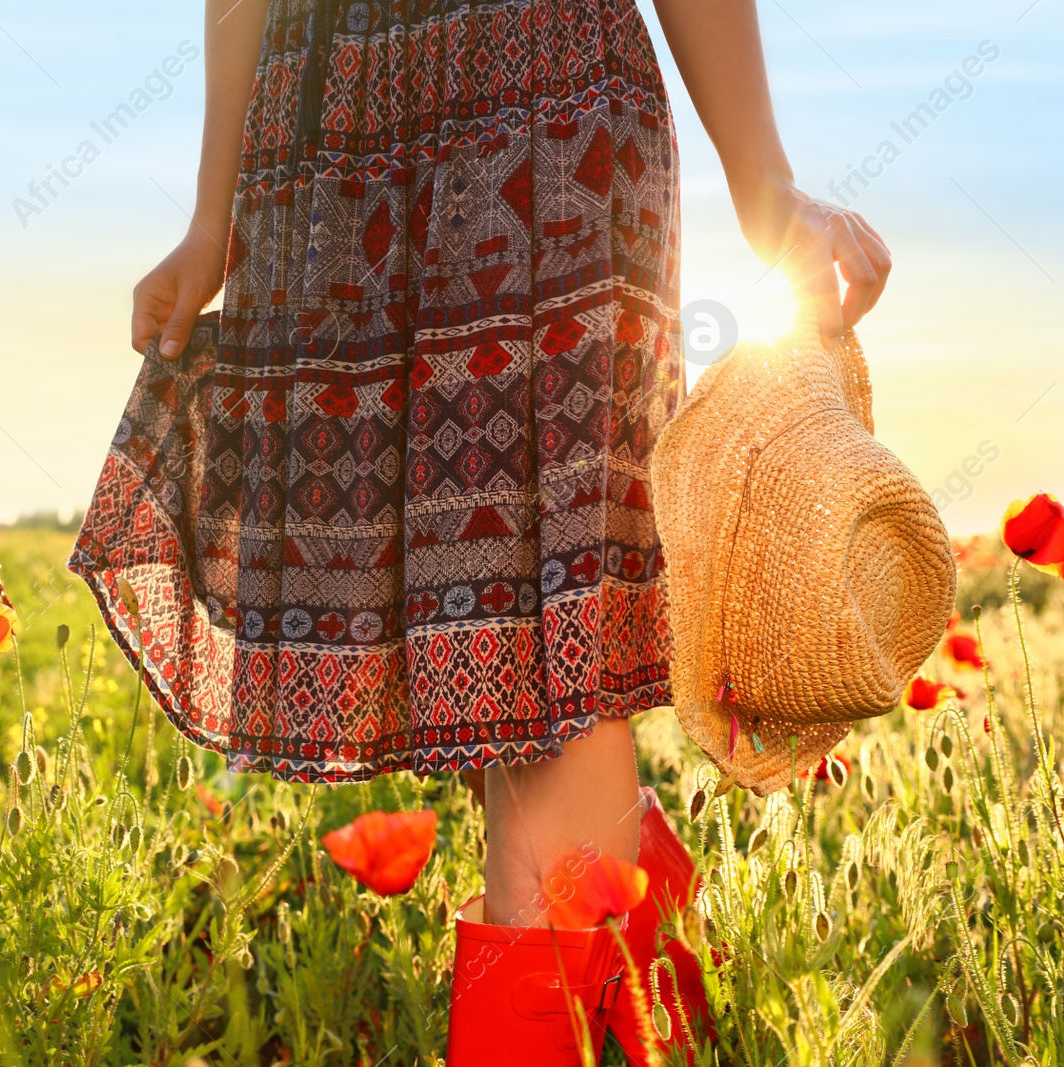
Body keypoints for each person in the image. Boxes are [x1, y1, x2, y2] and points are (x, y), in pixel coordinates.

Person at [103, 0, 889, 1059]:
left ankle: (595, 976)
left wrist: (765, 188)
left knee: (539, 648)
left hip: (541, 100)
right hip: (327, 140)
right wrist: (214, 220)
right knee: (480, 655)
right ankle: (654, 981)